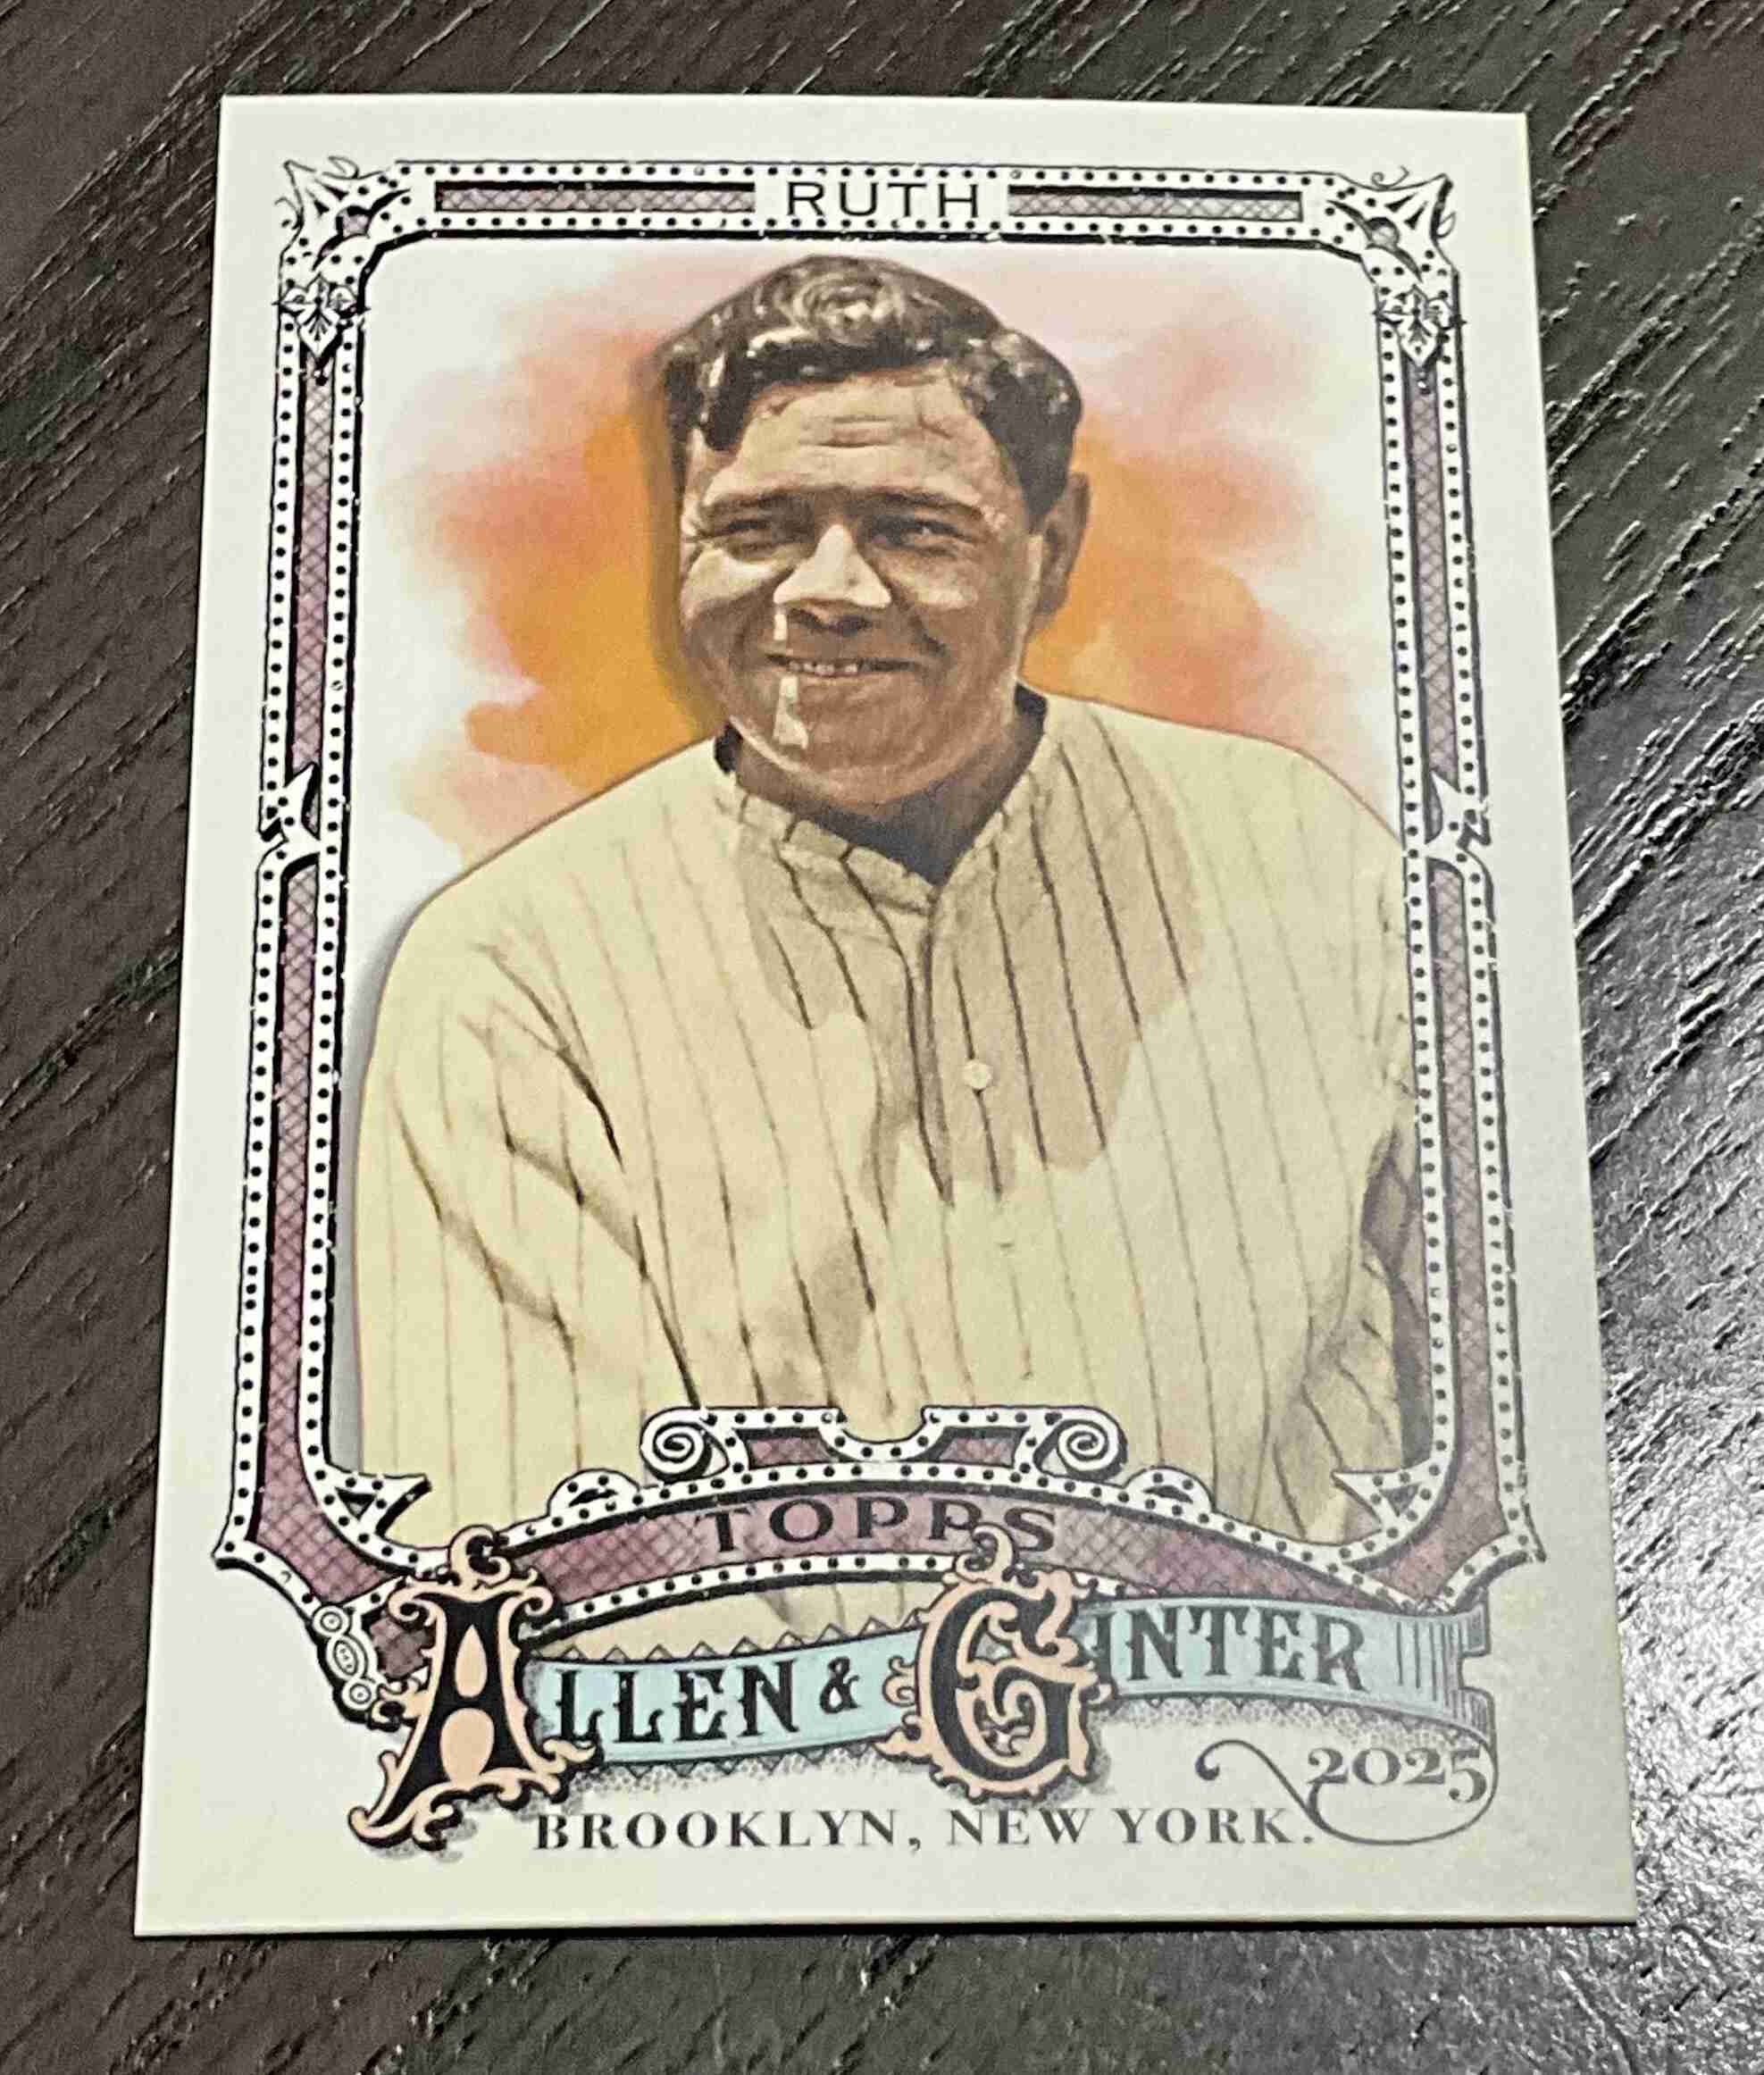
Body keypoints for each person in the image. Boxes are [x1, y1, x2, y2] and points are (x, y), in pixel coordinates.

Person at [355, 255, 1425, 1606]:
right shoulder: (509, 973)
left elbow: (1505, 1395)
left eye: (915, 529)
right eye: (758, 527)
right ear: (680, 535)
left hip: (1294, 1705)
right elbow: (551, 1577)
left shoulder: (1304, 851)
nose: (828, 590)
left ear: (1051, 549)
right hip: (783, 1732)